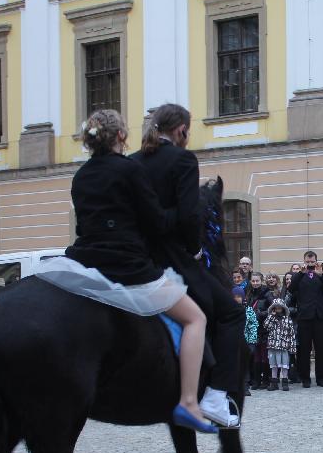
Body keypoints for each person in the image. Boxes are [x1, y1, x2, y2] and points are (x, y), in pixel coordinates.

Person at [56, 109, 213, 433]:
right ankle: (188, 401)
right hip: (126, 266)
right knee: (195, 318)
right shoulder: (128, 170)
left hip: (84, 262)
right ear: (122, 137)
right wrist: (185, 211)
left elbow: (85, 223)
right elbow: (155, 221)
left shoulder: (81, 176)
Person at [133, 103, 241, 428]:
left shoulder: (133, 162)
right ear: (181, 129)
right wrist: (195, 250)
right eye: (188, 130)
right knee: (233, 314)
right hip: (172, 258)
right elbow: (189, 215)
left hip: (136, 257)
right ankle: (215, 396)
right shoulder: (183, 159)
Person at [289, 250, 323, 388]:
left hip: (319, 317)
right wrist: (301, 273)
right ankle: (305, 378)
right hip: (304, 317)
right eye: (308, 262)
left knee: (321, 349)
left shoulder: (320, 275)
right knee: (304, 350)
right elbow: (291, 289)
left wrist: (322, 275)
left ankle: (321, 378)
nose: (310, 265)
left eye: (312, 262)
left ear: (316, 262)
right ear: (304, 262)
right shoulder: (300, 276)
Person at [263, 298, 298, 391]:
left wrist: (292, 347)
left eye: (280, 308)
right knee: (273, 364)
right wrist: (271, 316)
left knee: (284, 365)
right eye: (276, 308)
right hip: (273, 345)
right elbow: (266, 326)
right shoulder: (271, 318)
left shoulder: (287, 319)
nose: (278, 309)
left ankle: (285, 382)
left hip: (283, 346)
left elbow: (291, 334)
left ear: (283, 308)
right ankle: (274, 383)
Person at [245, 272, 272, 389]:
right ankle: (256, 380)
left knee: (264, 355)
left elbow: (272, 309)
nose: (255, 283)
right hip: (253, 329)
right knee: (255, 355)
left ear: (261, 281)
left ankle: (266, 380)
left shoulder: (267, 293)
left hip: (264, 328)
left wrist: (260, 314)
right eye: (253, 281)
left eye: (257, 281)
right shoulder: (249, 293)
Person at [236, 285, 257, 396]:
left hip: (246, 342)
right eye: (235, 296)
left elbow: (253, 325)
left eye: (239, 296)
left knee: (244, 366)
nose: (237, 298)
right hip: (233, 342)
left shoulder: (248, 310)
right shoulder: (229, 309)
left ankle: (245, 387)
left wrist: (252, 342)